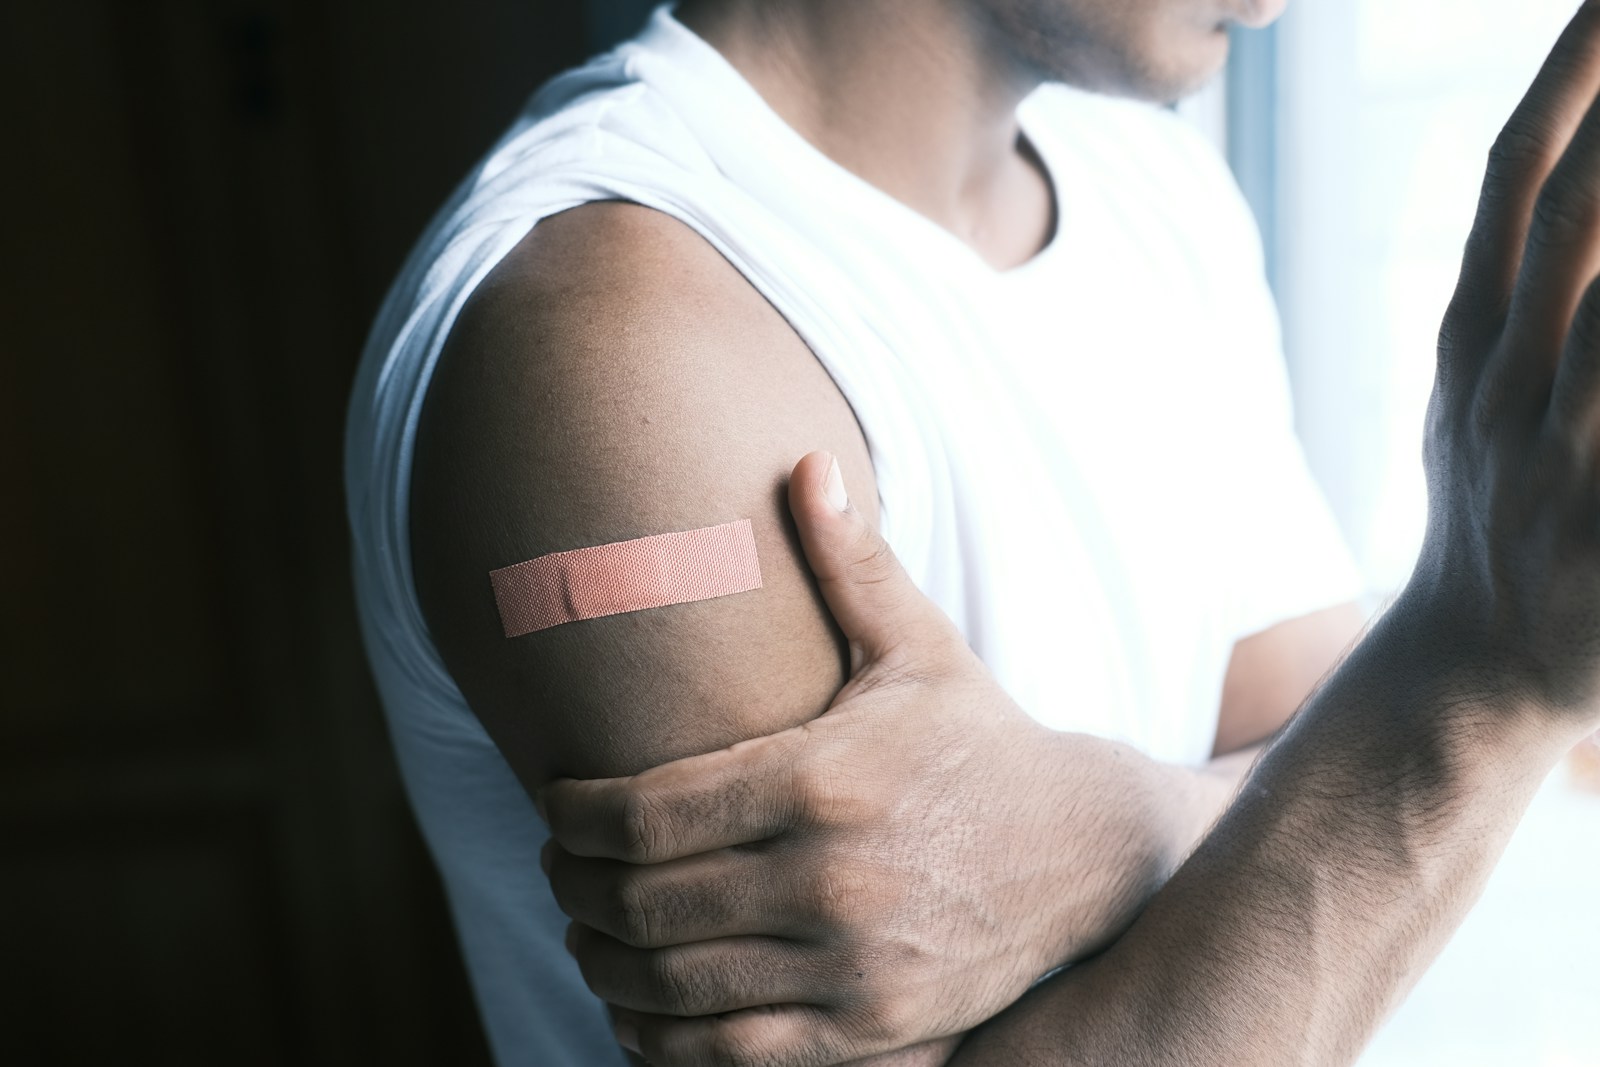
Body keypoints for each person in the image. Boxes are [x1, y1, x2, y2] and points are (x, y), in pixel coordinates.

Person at [343, 1, 1600, 1064]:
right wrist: (1486, 673)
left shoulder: (1153, 188)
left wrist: (1112, 825)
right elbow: (1343, 774)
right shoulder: (619, 351)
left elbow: (1313, 736)